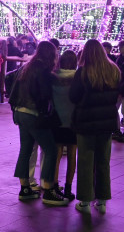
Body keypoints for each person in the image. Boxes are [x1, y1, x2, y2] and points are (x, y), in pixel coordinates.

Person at [10, 41, 67, 206]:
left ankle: (25, 189)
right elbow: (44, 96)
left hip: (20, 112)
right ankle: (49, 190)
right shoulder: (44, 71)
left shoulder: (26, 67)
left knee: (26, 150)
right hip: (33, 114)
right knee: (50, 150)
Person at [69, 39, 120, 214]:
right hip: (107, 122)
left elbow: (74, 97)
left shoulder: (82, 73)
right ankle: (103, 200)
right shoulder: (114, 71)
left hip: (86, 121)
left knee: (85, 161)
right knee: (103, 160)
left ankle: (85, 201)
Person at [52, 49, 78, 201]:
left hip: (57, 120)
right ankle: (68, 188)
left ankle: (55, 186)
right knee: (72, 155)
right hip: (73, 121)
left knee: (57, 154)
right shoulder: (78, 78)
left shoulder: (54, 77)